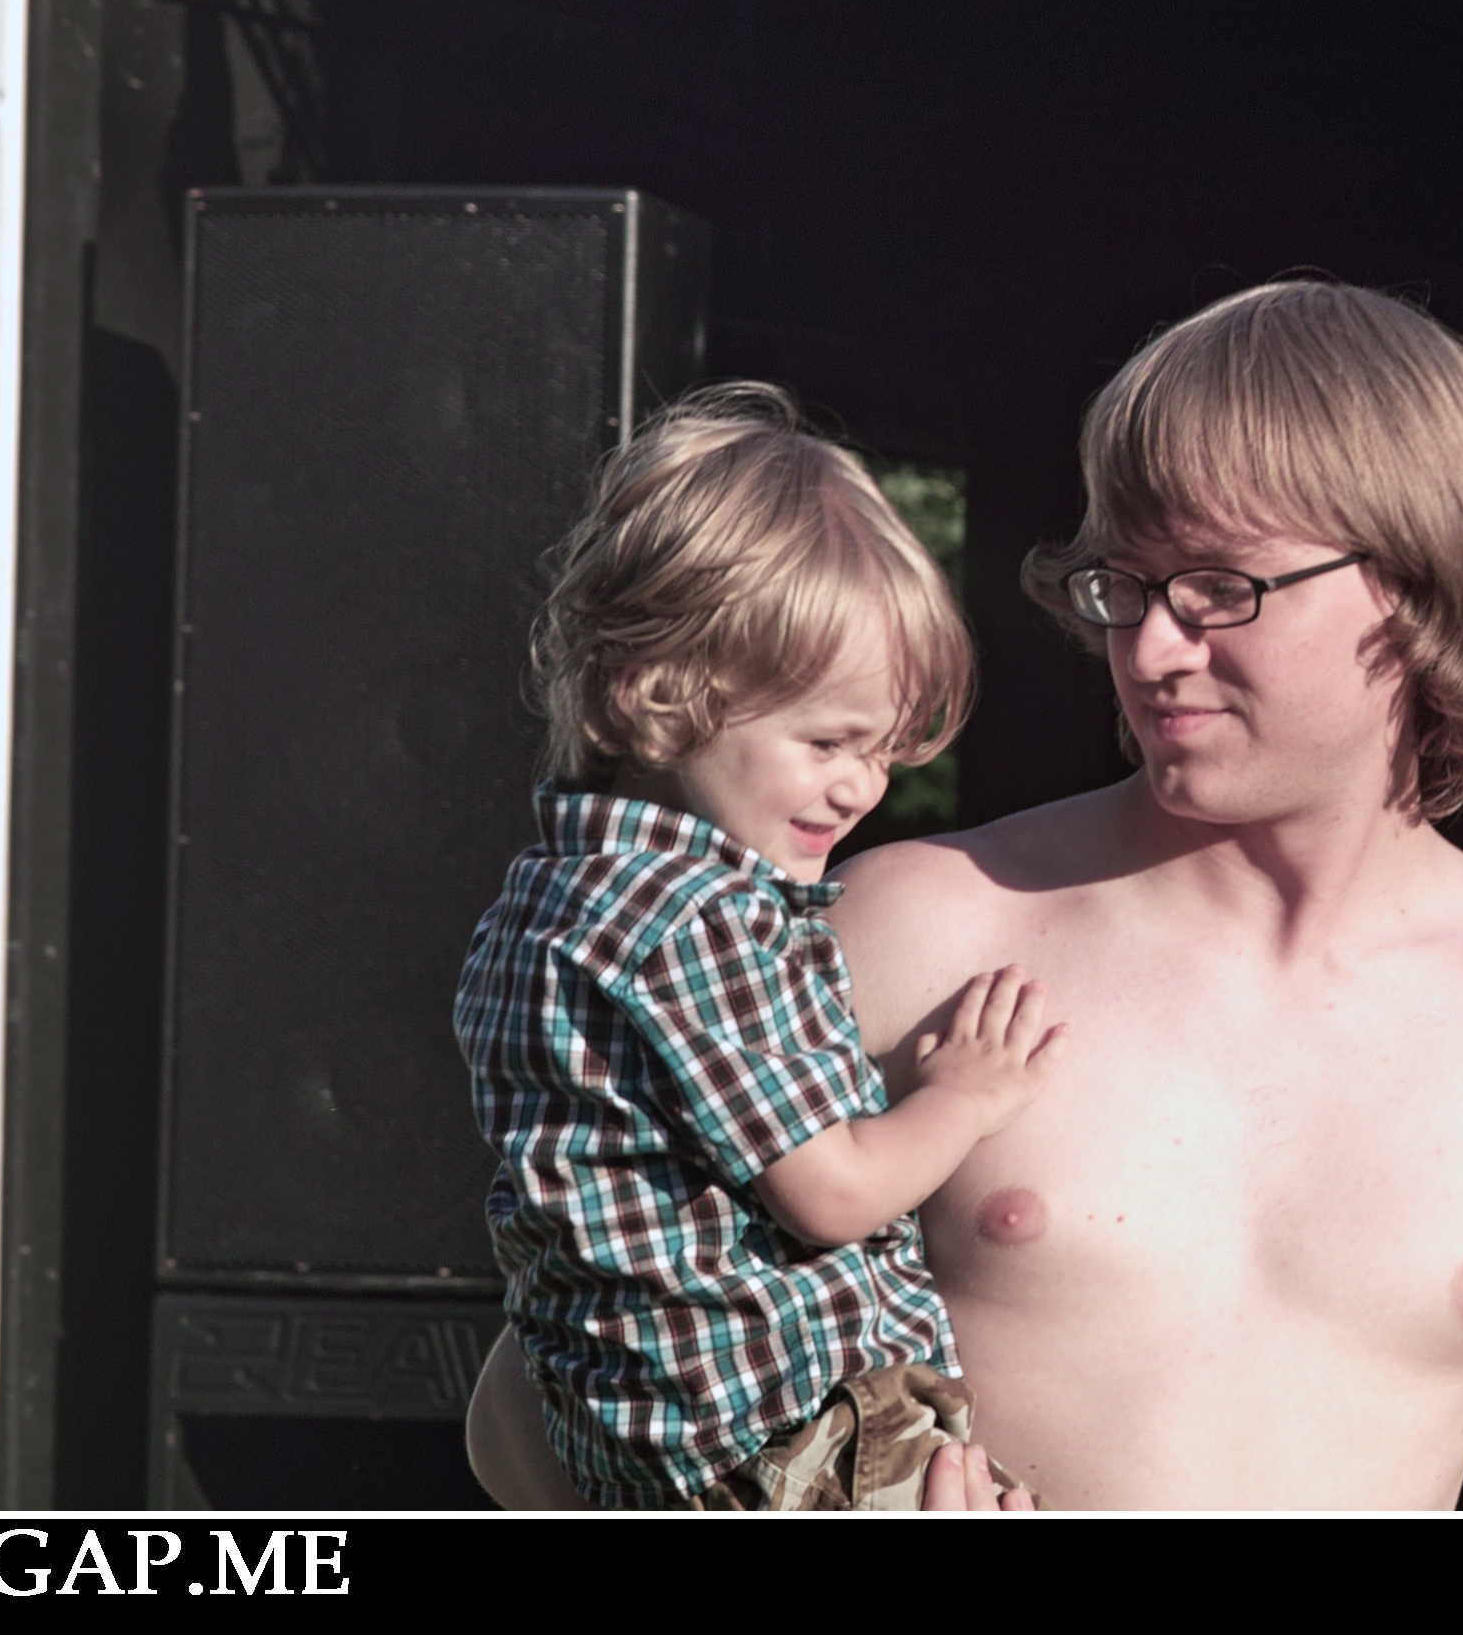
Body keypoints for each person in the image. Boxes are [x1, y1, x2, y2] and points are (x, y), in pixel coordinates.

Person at [474, 278, 1463, 1510]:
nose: (1152, 649)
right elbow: (535, 1414)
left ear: (1417, 584)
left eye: (1220, 587)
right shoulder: (910, 927)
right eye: (1125, 587)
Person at [455, 382, 1065, 1511]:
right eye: (828, 742)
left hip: (635, 1449)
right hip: (796, 1443)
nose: (862, 787)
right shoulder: (700, 917)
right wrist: (961, 1097)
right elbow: (831, 1193)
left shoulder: (533, 908)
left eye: (883, 750)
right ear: (657, 697)